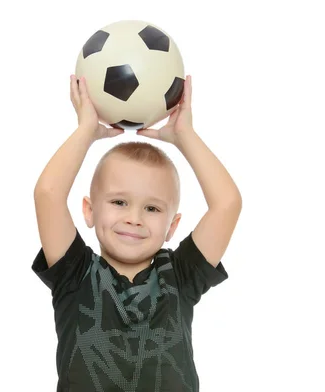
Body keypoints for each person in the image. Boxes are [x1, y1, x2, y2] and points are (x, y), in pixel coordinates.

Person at [32, 74, 242, 392]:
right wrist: (85, 130)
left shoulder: (180, 276)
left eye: (152, 209)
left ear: (172, 226)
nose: (134, 218)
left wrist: (185, 135)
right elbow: (48, 193)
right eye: (119, 202)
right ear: (89, 211)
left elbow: (227, 204)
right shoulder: (74, 275)